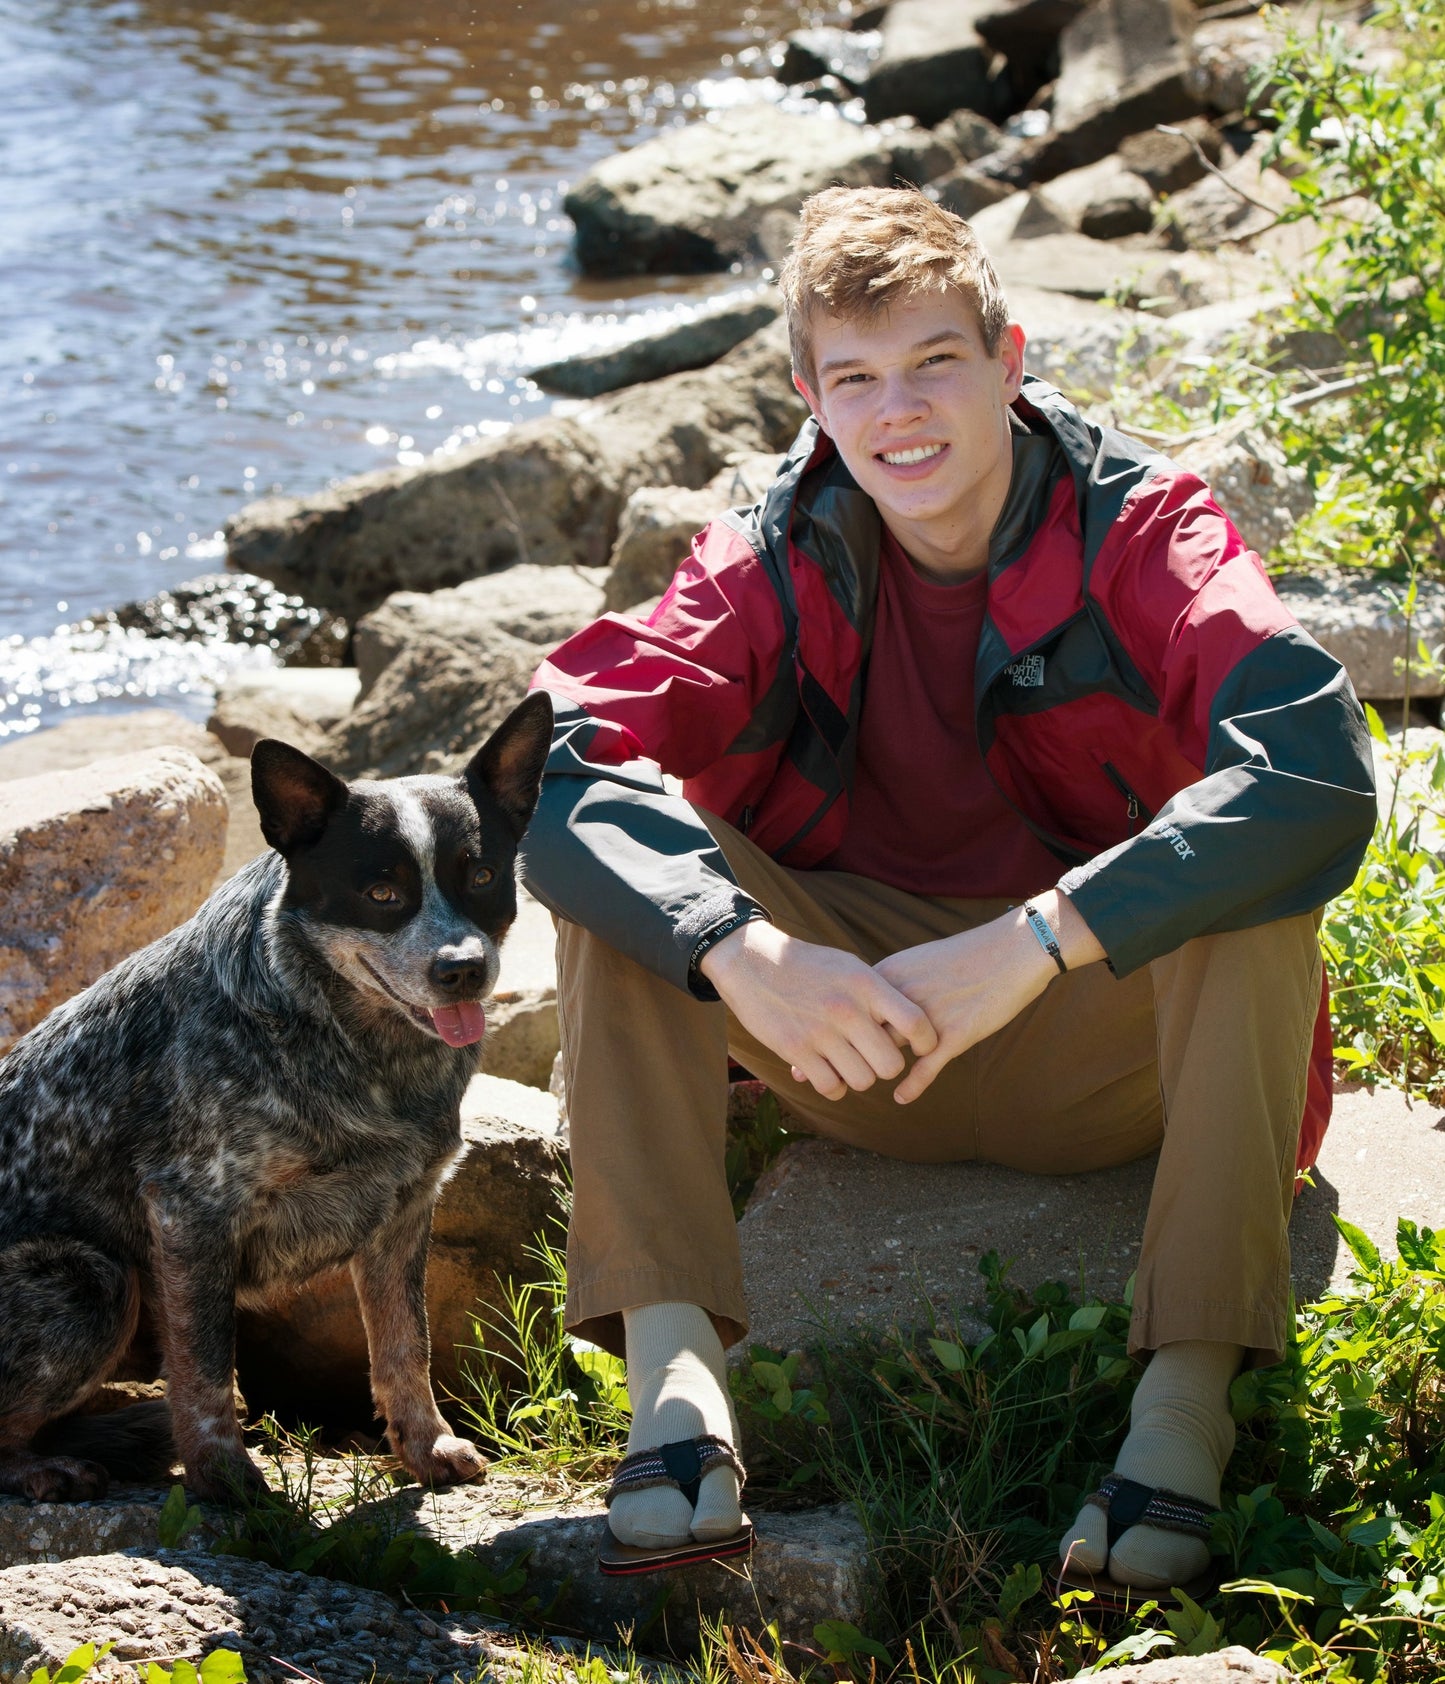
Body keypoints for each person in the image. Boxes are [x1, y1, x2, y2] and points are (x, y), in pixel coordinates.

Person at [521, 185, 1376, 1590]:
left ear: (1010, 361)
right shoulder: (768, 554)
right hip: (852, 1031)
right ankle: (673, 1382)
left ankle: (1184, 1397)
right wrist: (741, 950)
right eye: (852, 378)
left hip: (1109, 1043)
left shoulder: (1142, 528)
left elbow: (1316, 770)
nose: (895, 412)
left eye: (933, 362)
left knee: (1250, 871)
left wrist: (1039, 941)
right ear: (808, 397)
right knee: (628, 853)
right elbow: (550, 754)